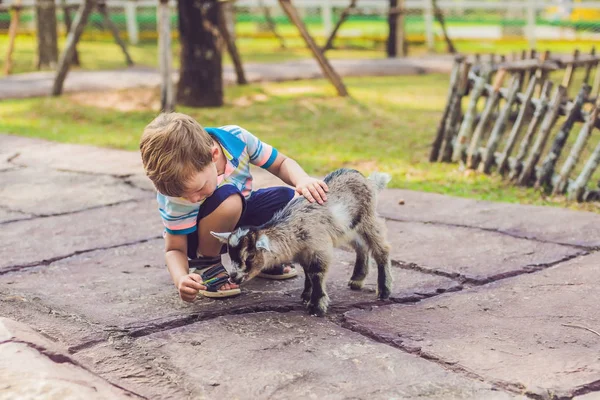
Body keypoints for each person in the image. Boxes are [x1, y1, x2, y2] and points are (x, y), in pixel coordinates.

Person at [140, 113, 328, 301]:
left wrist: (302, 179)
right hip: (199, 237)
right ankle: (207, 265)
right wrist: (181, 278)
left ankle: (259, 258)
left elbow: (281, 163)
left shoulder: (238, 139)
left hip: (238, 218)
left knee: (287, 199)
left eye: (198, 189)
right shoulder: (174, 193)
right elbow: (174, 249)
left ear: (213, 155)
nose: (192, 199)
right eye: (182, 195)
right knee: (229, 198)